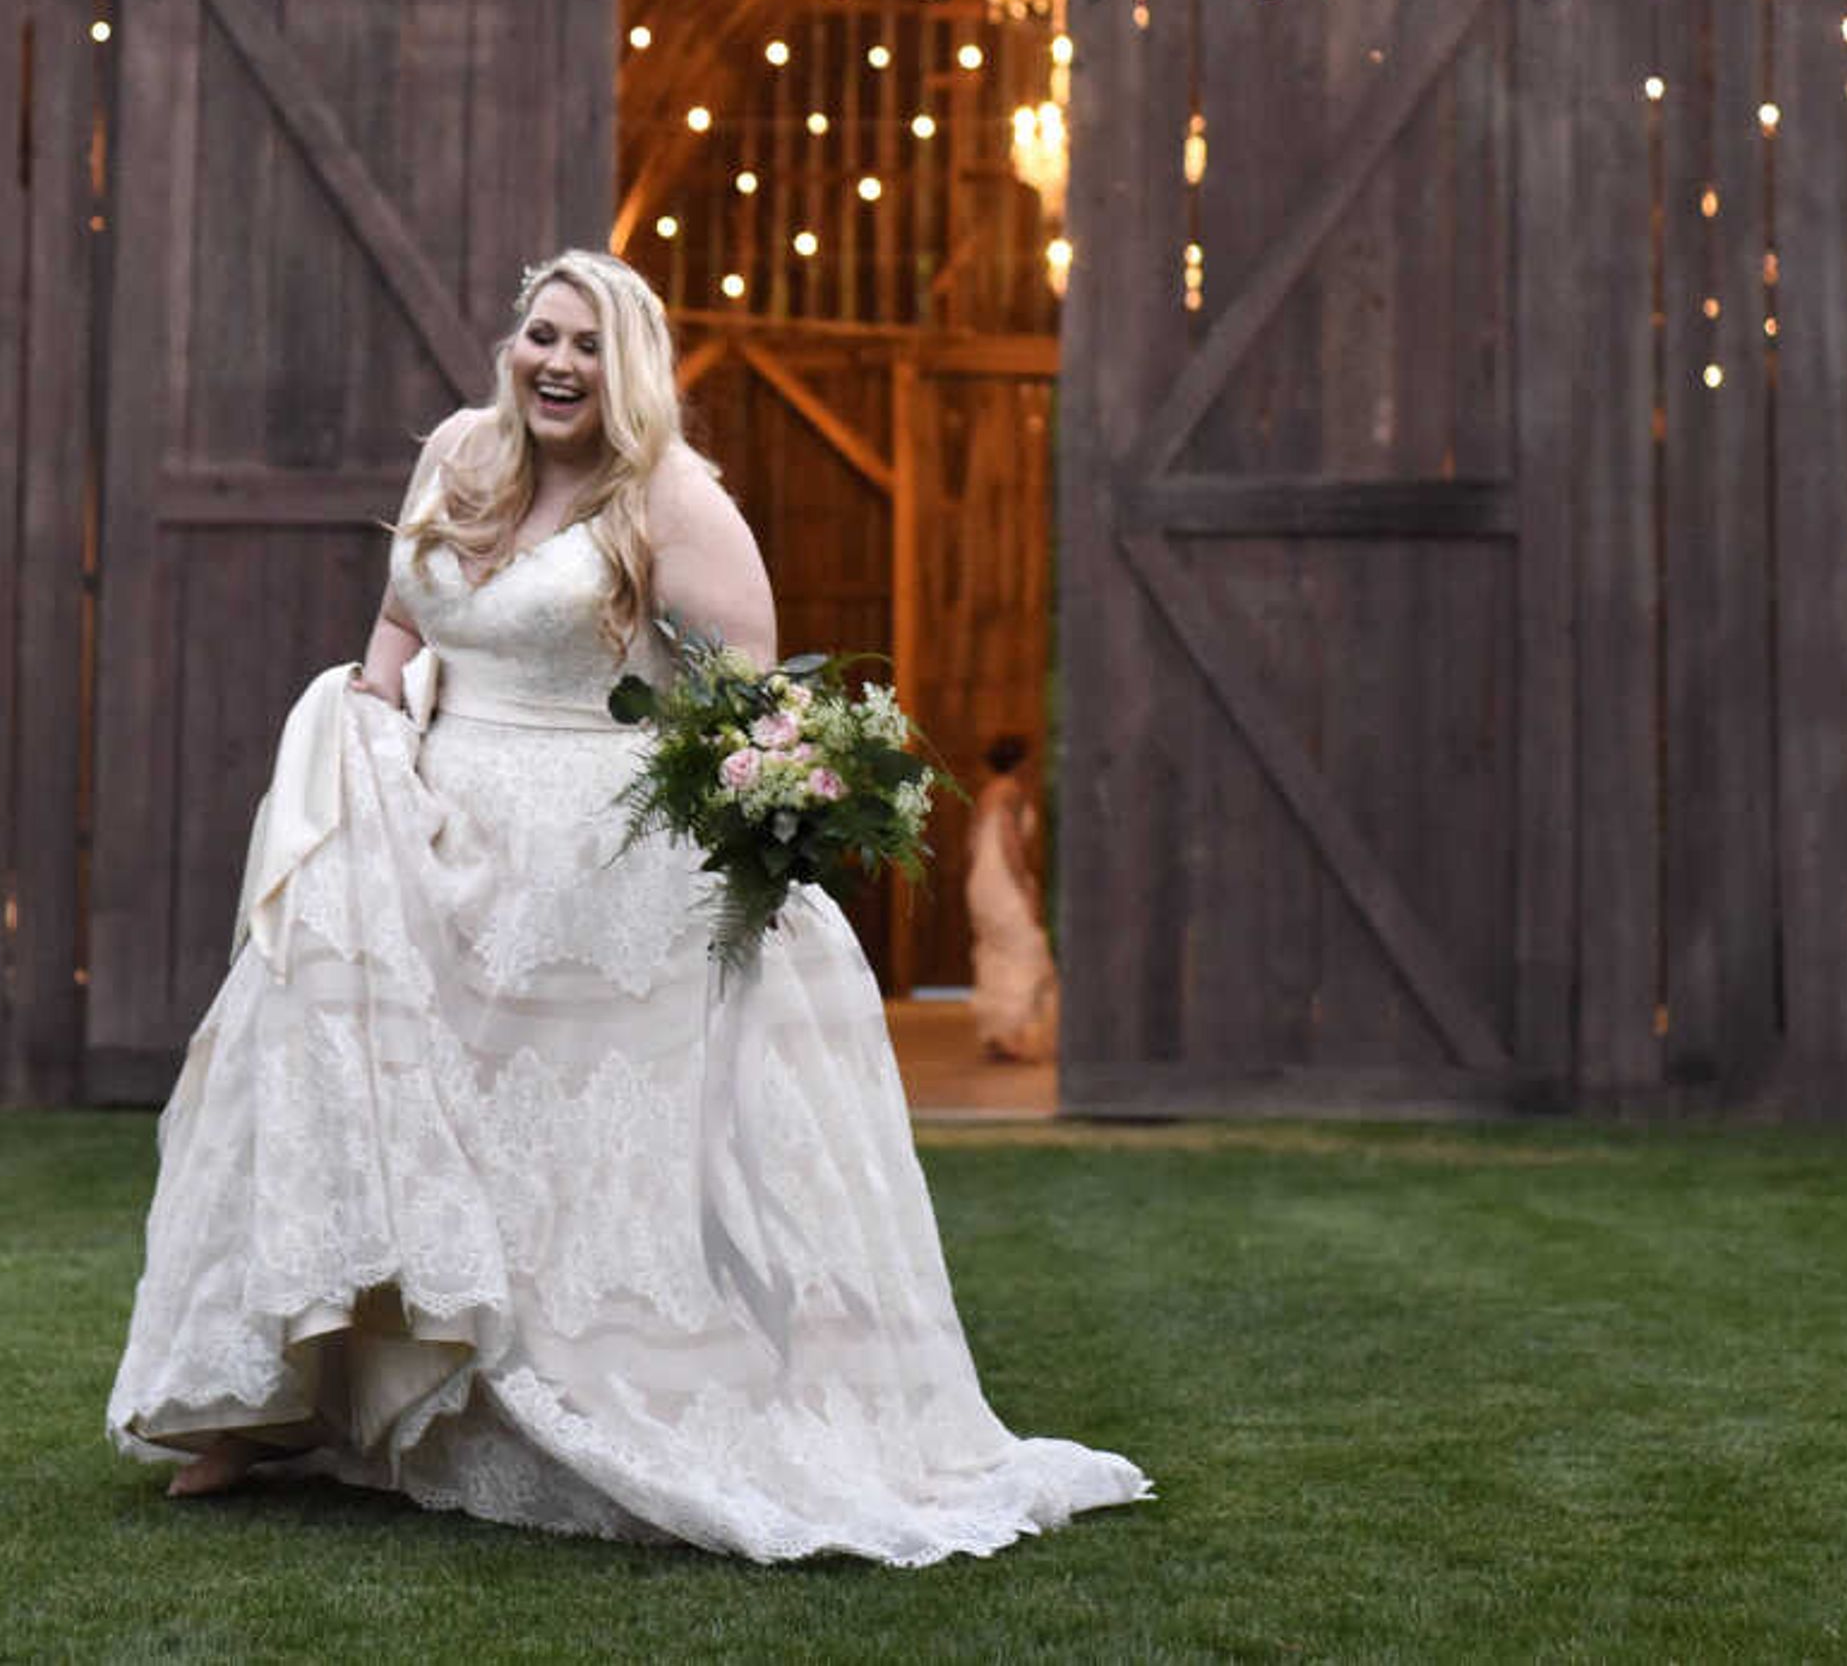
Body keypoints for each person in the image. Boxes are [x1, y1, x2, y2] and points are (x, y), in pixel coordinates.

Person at [105, 249, 1147, 1564]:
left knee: (551, 1156)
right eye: (542, 334)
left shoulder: (670, 501)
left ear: (632, 366)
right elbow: (399, 625)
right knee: (336, 1079)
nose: (557, 362)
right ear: (512, 344)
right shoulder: (460, 462)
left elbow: (751, 691)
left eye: (589, 345)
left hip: (587, 861)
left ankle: (537, 1398)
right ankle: (266, 1405)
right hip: (423, 845)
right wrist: (365, 724)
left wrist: (765, 806)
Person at [963, 736, 1060, 1064]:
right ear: (1020, 762)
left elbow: (972, 842)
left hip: (982, 879)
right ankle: (1013, 1035)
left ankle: (998, 1034)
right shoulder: (1010, 792)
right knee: (1025, 948)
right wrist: (1025, 885)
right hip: (1004, 878)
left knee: (995, 950)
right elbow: (1009, 841)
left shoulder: (986, 792)